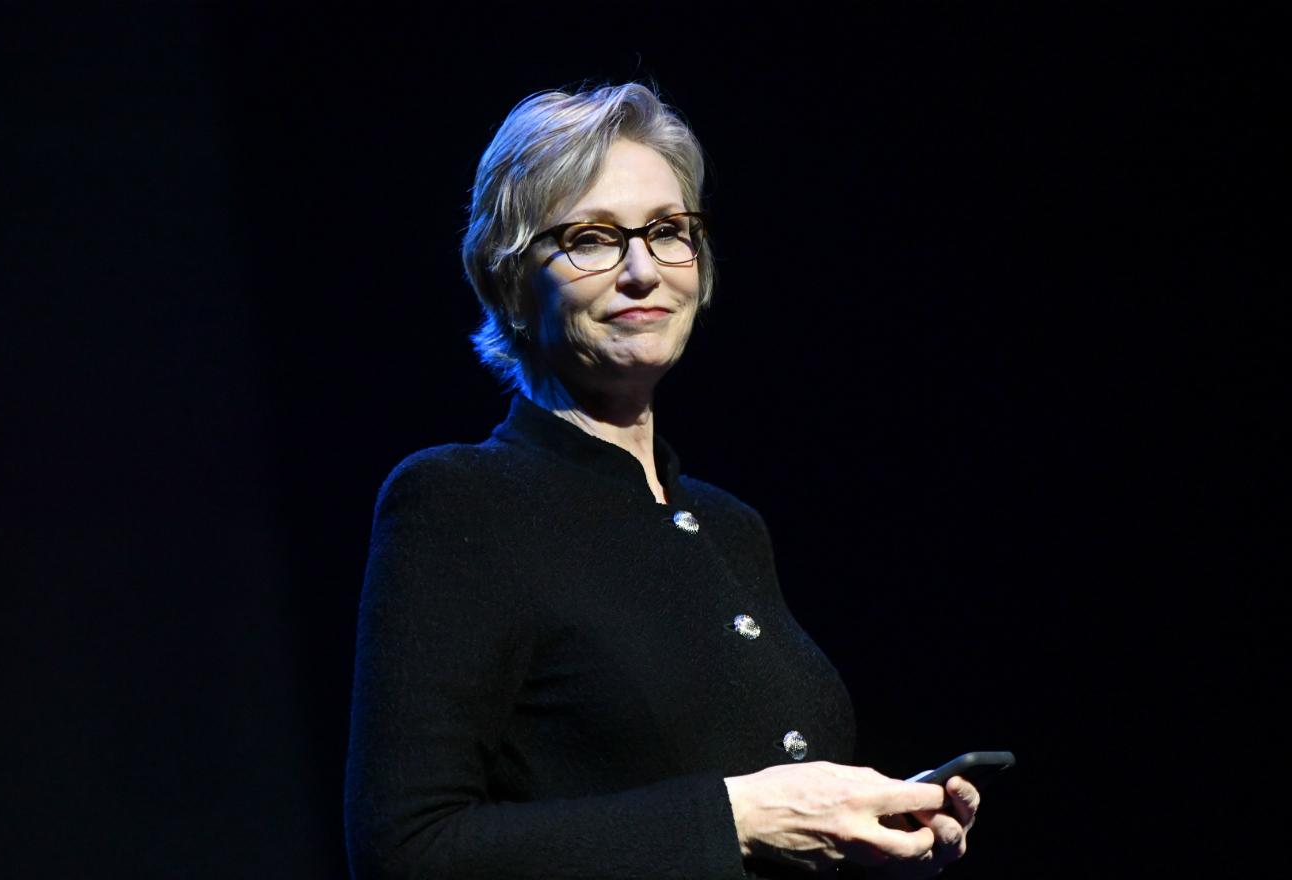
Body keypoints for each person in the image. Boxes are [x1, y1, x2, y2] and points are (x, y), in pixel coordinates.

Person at [343, 82, 982, 880]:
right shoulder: (460, 502)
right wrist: (737, 821)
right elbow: (408, 851)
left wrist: (874, 839)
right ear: (510, 282)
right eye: (592, 239)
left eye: (668, 232)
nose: (642, 271)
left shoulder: (730, 524)